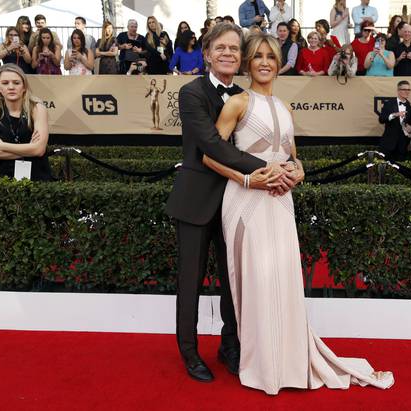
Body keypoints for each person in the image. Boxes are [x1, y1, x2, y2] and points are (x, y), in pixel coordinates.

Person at [203, 31, 393, 396]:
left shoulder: (286, 108)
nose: (264, 62)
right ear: (248, 62)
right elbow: (209, 155)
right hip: (246, 200)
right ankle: (261, 364)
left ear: (278, 63)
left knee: (284, 278)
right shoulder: (237, 104)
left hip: (280, 199)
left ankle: (287, 360)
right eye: (257, 56)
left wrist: (299, 171)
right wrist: (248, 179)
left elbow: (292, 155)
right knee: (256, 280)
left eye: (270, 57)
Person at [164, 23, 296, 383]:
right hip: (196, 202)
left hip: (238, 204)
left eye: (234, 49)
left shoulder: (245, 97)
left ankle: (230, 346)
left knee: (234, 280)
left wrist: (290, 168)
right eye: (220, 48)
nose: (227, 54)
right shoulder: (191, 93)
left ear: (242, 58)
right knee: (189, 282)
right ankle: (189, 354)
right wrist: (269, 169)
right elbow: (212, 145)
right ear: (206, 53)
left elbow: (278, 144)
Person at [0, 64, 52, 181]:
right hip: (6, 181)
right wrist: (30, 150)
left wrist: (2, 145)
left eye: (16, 83)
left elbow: (39, 150)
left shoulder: (37, 109)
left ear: (24, 86)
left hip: (39, 178)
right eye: (5, 83)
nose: (11, 87)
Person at [378, 80, 411, 161]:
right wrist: (394, 115)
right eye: (404, 89)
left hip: (402, 146)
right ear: (398, 90)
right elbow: (381, 119)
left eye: (408, 90)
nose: (407, 92)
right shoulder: (389, 104)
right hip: (388, 144)